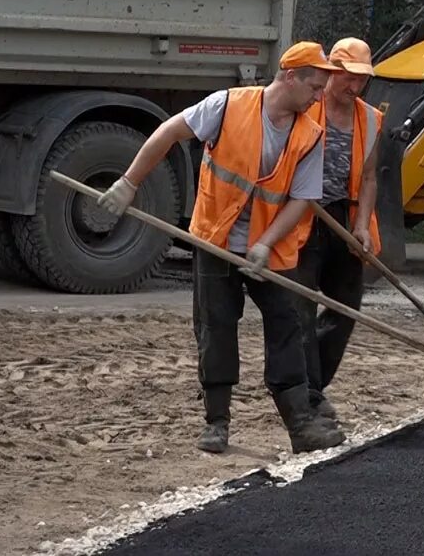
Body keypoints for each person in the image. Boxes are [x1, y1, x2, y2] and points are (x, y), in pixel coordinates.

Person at [97, 41, 347, 454]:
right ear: (289, 77)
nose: (321, 96)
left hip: (269, 250)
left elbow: (303, 198)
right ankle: (217, 423)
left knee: (288, 328)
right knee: (215, 327)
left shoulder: (309, 134)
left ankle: (301, 426)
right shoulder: (227, 106)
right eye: (315, 87)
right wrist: (129, 182)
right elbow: (169, 132)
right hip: (216, 238)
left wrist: (265, 244)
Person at [294, 37, 383, 425]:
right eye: (348, 78)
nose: (354, 87)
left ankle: (315, 383)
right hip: (302, 215)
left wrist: (362, 225)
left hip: (342, 218)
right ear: (333, 72)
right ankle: (308, 394)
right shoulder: (307, 107)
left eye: (361, 81)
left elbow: (368, 177)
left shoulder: (370, 118)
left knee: (345, 306)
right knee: (300, 305)